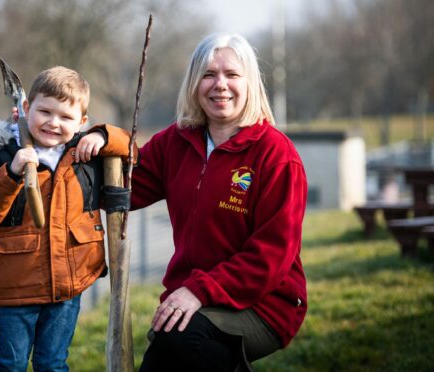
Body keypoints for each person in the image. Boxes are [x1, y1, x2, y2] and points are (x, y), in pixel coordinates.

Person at [131, 33, 308, 371]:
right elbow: (124, 183)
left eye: (232, 75)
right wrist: (98, 139)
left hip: (265, 302)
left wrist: (198, 291)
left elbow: (270, 256)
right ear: (195, 83)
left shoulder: (276, 155)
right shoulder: (177, 141)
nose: (220, 85)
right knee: (162, 358)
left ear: (250, 82)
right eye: (209, 74)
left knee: (181, 340)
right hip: (198, 294)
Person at [0, 66, 132, 371]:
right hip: (15, 289)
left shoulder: (83, 156)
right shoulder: (0, 155)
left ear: (81, 122)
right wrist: (11, 173)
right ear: (26, 109)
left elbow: (133, 151)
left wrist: (103, 135)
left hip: (67, 287)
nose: (54, 123)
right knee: (9, 364)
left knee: (53, 363)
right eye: (45, 112)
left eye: (66, 117)